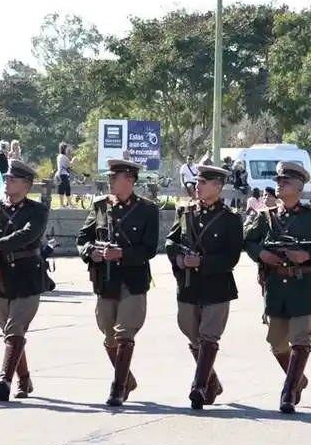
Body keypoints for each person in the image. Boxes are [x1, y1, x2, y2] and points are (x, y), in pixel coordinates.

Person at [242, 161, 311, 414]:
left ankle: (289, 392)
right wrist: (262, 254)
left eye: (285, 181)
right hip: (276, 285)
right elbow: (249, 241)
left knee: (301, 339)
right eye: (278, 180)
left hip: (302, 284)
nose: (279, 184)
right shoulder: (266, 216)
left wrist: (306, 256)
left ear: (299, 187)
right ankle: (298, 379)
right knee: (276, 342)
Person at [76, 159, 161, 407]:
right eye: (110, 177)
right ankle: (127, 378)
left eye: (115, 177)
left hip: (133, 280)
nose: (110, 181)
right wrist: (90, 252)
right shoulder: (101, 206)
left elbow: (149, 248)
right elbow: (83, 238)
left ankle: (118, 387)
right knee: (108, 333)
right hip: (106, 280)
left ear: (130, 180)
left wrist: (122, 253)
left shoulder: (147, 209)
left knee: (125, 333)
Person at [165, 162, 244, 410]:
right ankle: (212, 382)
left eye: (202, 182)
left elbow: (231, 257)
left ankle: (198, 387)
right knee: (190, 331)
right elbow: (171, 241)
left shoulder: (230, 219)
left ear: (217, 187)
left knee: (209, 335)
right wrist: (179, 259)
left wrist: (203, 262)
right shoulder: (186, 212)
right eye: (196, 181)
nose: (196, 186)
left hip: (216, 285)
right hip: (188, 284)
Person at [0, 160, 50, 401]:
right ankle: (24, 378)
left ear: (26, 185)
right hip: (0, 276)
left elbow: (28, 234)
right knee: (9, 333)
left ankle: (5, 380)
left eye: (12, 179)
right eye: (6, 178)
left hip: (27, 275)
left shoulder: (37, 210)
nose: (7, 182)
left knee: (14, 328)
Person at [55, 143, 73, 207]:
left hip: (59, 175)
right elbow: (68, 165)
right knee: (66, 190)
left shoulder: (58, 156)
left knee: (64, 189)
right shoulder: (65, 157)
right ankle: (62, 204)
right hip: (63, 175)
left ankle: (69, 204)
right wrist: (73, 161)